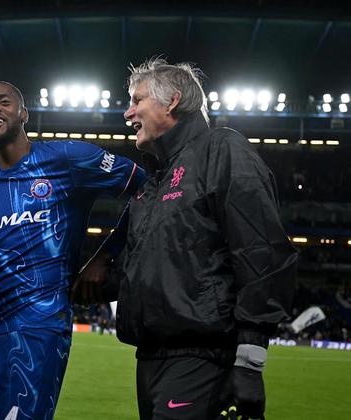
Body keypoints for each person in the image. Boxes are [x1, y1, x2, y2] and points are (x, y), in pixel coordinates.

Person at [81, 58, 297, 419]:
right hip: (150, 358)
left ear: (172, 102)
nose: (128, 113)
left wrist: (250, 358)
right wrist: (82, 283)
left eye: (137, 100)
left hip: (202, 358)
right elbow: (152, 271)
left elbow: (262, 251)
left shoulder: (222, 149)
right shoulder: (153, 184)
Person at [0, 81, 145, 420]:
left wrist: (105, 256)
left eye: (3, 102)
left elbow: (146, 187)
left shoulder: (67, 158)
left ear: (24, 114)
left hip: (38, 324)